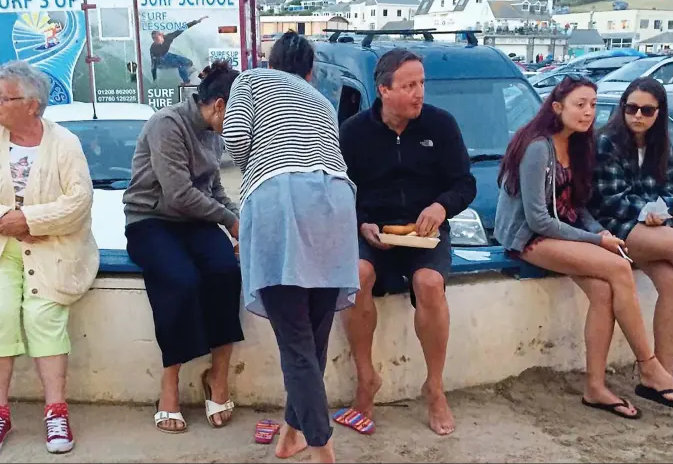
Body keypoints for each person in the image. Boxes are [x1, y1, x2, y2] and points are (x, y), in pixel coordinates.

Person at [494, 75, 673, 419]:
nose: (589, 112)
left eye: (592, 104)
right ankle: (649, 368)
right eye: (580, 104)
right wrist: (597, 240)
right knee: (619, 268)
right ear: (557, 107)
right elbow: (538, 220)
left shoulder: (578, 144)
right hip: (529, 238)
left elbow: (579, 207)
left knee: (605, 291)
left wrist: (598, 232)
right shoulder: (537, 147)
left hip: (563, 230)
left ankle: (595, 387)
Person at [222, 31, 359, 463]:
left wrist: (261, 158)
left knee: (297, 346)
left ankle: (324, 451)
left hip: (281, 198)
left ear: (270, 60)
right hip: (337, 201)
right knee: (312, 342)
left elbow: (234, 142)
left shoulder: (250, 80)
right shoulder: (320, 101)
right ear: (310, 70)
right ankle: (290, 435)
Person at [0, 60, 98, 457]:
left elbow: (79, 200)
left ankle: (56, 412)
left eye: (4, 98)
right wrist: (2, 219)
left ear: (32, 105)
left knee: (43, 316)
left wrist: (31, 220)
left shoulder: (64, 143)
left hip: (53, 246)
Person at [338, 48, 476, 435]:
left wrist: (441, 206)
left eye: (421, 84)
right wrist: (361, 223)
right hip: (375, 231)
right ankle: (366, 380)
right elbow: (339, 190)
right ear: (384, 89)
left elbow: (465, 184)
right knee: (356, 274)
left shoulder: (440, 125)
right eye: (409, 85)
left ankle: (434, 386)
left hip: (426, 230)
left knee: (429, 283)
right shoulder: (354, 132)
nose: (419, 93)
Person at [122, 61, 242, 433]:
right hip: (151, 220)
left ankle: (217, 376)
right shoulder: (168, 124)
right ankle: (169, 382)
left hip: (194, 223)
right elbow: (178, 194)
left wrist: (241, 218)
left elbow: (214, 189)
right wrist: (229, 221)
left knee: (226, 271)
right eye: (238, 112)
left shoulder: (213, 131)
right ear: (220, 105)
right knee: (180, 279)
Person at [590, 78, 673, 382]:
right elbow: (609, 198)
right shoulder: (606, 142)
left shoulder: (662, 144)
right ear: (622, 108)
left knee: (671, 284)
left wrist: (661, 211)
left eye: (647, 110)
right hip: (614, 225)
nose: (638, 115)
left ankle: (663, 374)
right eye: (631, 108)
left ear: (658, 113)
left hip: (654, 227)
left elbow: (671, 189)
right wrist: (648, 211)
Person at [150, 17, 207, 85]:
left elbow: (182, 29)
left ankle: (187, 73)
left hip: (167, 55)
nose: (156, 40)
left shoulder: (169, 37)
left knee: (189, 62)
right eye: (154, 39)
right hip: (160, 62)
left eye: (156, 38)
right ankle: (186, 82)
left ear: (161, 35)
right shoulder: (153, 48)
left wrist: (196, 21)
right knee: (180, 64)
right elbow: (153, 66)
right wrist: (154, 80)